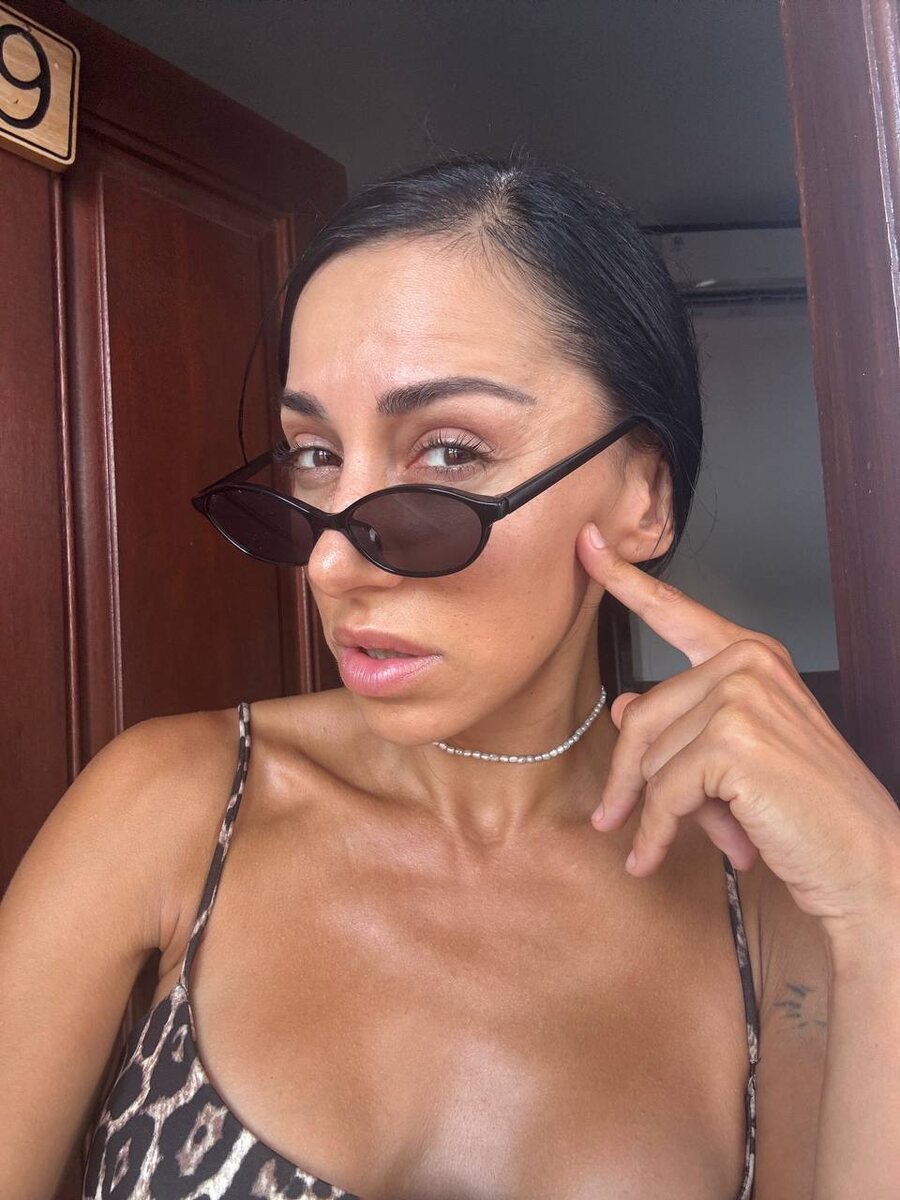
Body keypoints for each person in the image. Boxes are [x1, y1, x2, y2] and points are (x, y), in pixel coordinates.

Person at [3, 153, 898, 1200]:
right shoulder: (172, 810)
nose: (331, 563)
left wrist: (882, 901)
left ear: (642, 498)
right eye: (314, 455)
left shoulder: (770, 902)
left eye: (451, 454)